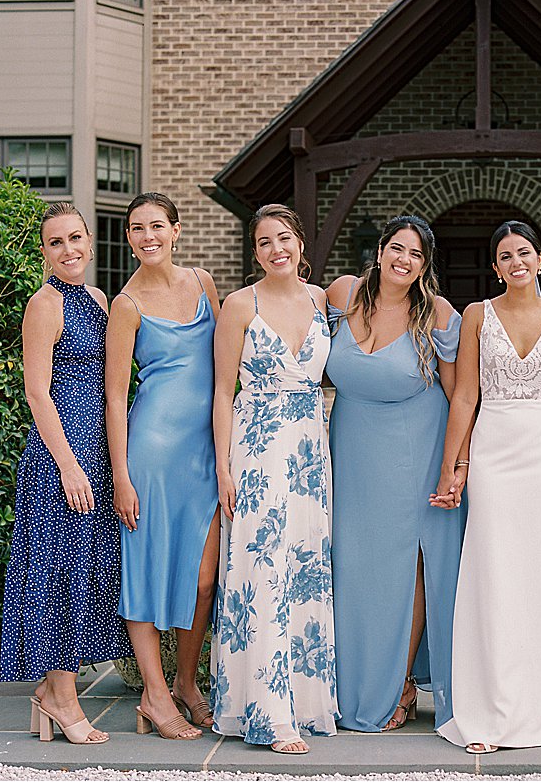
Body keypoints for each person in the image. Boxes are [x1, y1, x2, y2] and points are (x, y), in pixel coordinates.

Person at [435, 220, 541, 754]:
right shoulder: (477, 315)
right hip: (493, 450)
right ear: (496, 268)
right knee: (495, 574)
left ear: (540, 259)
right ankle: (492, 706)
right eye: (505, 256)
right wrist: (452, 466)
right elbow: (465, 396)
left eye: (524, 252)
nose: (515, 262)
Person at [325, 215, 464, 733]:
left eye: (416, 254)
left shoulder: (437, 314)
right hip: (351, 453)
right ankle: (348, 684)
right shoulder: (341, 295)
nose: (404, 260)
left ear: (425, 266)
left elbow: (459, 395)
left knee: (409, 567)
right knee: (355, 569)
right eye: (398, 248)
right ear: (380, 250)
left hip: (416, 451)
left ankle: (400, 682)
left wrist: (455, 466)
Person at [0, 202, 133, 744]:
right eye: (56, 242)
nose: (69, 249)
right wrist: (68, 465)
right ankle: (61, 696)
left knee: (84, 572)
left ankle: (54, 691)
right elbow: (37, 393)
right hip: (62, 457)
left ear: (90, 241)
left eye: (75, 238)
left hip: (97, 452)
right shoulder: (44, 304)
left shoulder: (98, 299)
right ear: (44, 252)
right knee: (58, 572)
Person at [210, 205, 338, 754]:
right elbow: (222, 392)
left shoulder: (322, 299)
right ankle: (267, 713)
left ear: (300, 242)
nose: (275, 249)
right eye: (264, 242)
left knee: (303, 570)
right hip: (257, 448)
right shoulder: (240, 305)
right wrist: (224, 468)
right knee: (262, 570)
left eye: (284, 238)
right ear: (255, 252)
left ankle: (303, 705)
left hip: (309, 450)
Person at [105, 192, 220, 741]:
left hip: (205, 453)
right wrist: (120, 476)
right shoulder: (125, 304)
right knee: (147, 572)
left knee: (203, 580)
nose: (147, 236)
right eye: (136, 228)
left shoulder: (203, 282)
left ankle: (186, 682)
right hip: (151, 455)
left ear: (176, 230)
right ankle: (154, 694)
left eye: (156, 226)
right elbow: (114, 397)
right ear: (129, 238)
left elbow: (226, 362)